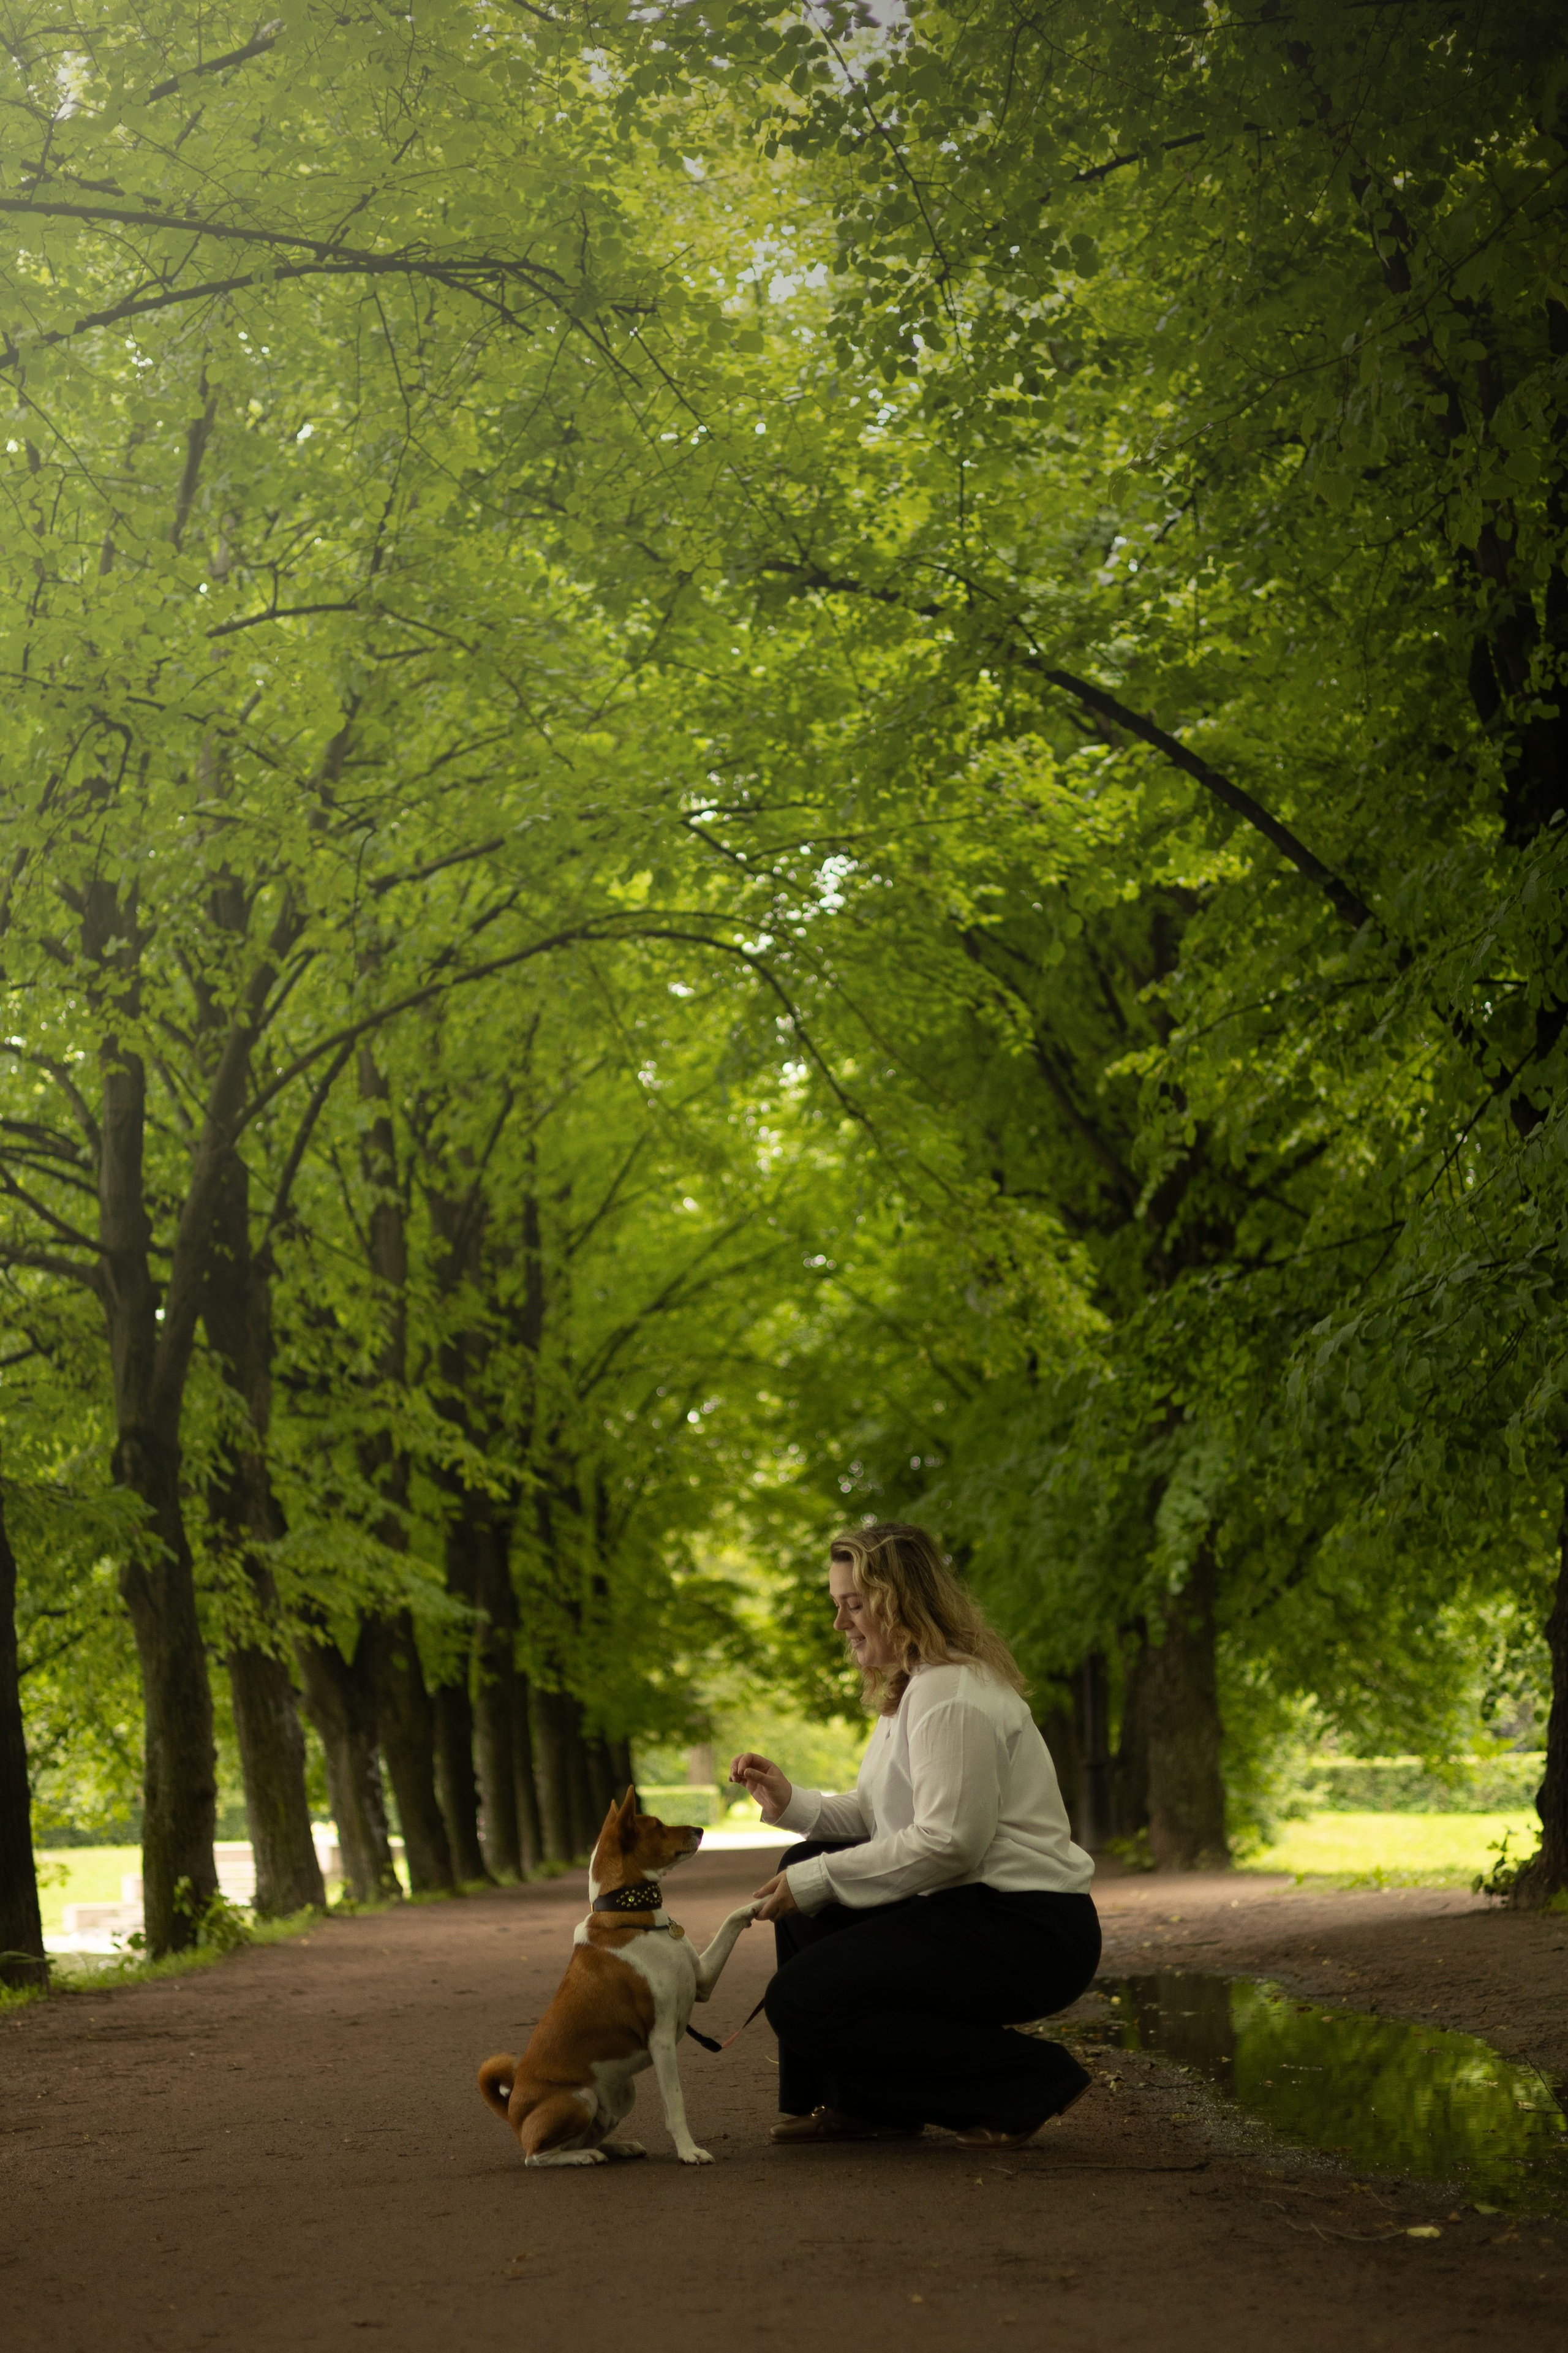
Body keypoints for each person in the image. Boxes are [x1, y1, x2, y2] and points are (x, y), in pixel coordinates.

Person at [729, 1521, 1099, 2149]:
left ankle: (1028, 2082)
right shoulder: (915, 1690)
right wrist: (793, 1804)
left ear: (899, 1603)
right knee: (808, 1856)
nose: (840, 1623)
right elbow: (883, 1818)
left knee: (799, 1997)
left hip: (1026, 1930)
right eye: (837, 1605)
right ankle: (867, 2105)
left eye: (853, 1605)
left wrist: (814, 1882)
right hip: (976, 1910)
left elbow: (949, 1842)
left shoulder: (950, 1694)